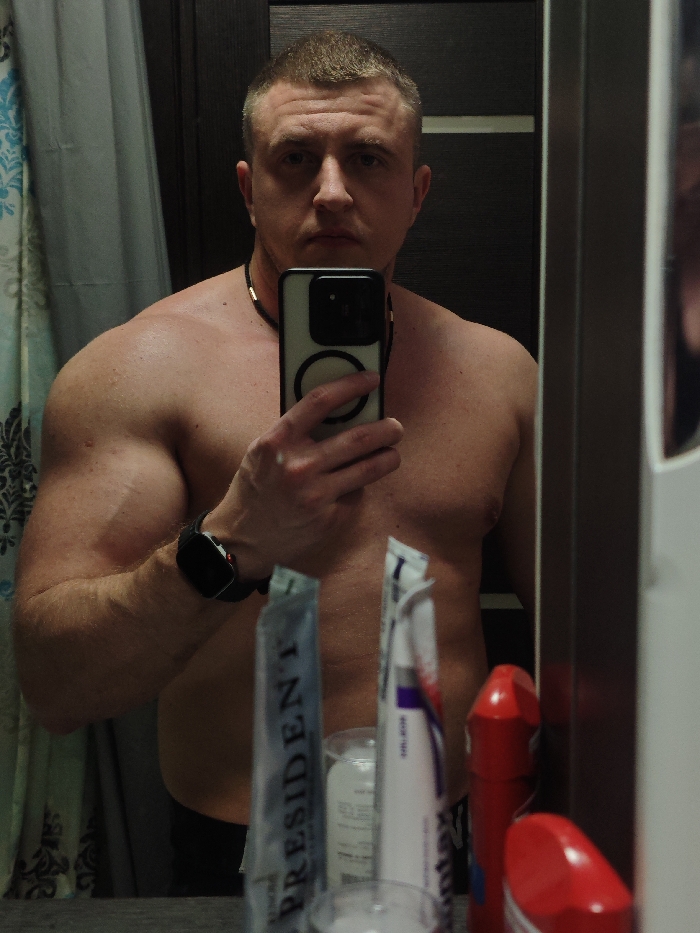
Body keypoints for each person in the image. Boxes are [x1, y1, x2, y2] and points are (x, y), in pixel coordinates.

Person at [12, 31, 536, 895]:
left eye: (367, 158)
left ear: (416, 192)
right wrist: (226, 546)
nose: (331, 191)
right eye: (296, 158)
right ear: (249, 189)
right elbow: (55, 683)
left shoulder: (498, 375)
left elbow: (593, 646)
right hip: (241, 852)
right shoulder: (139, 371)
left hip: (450, 837)